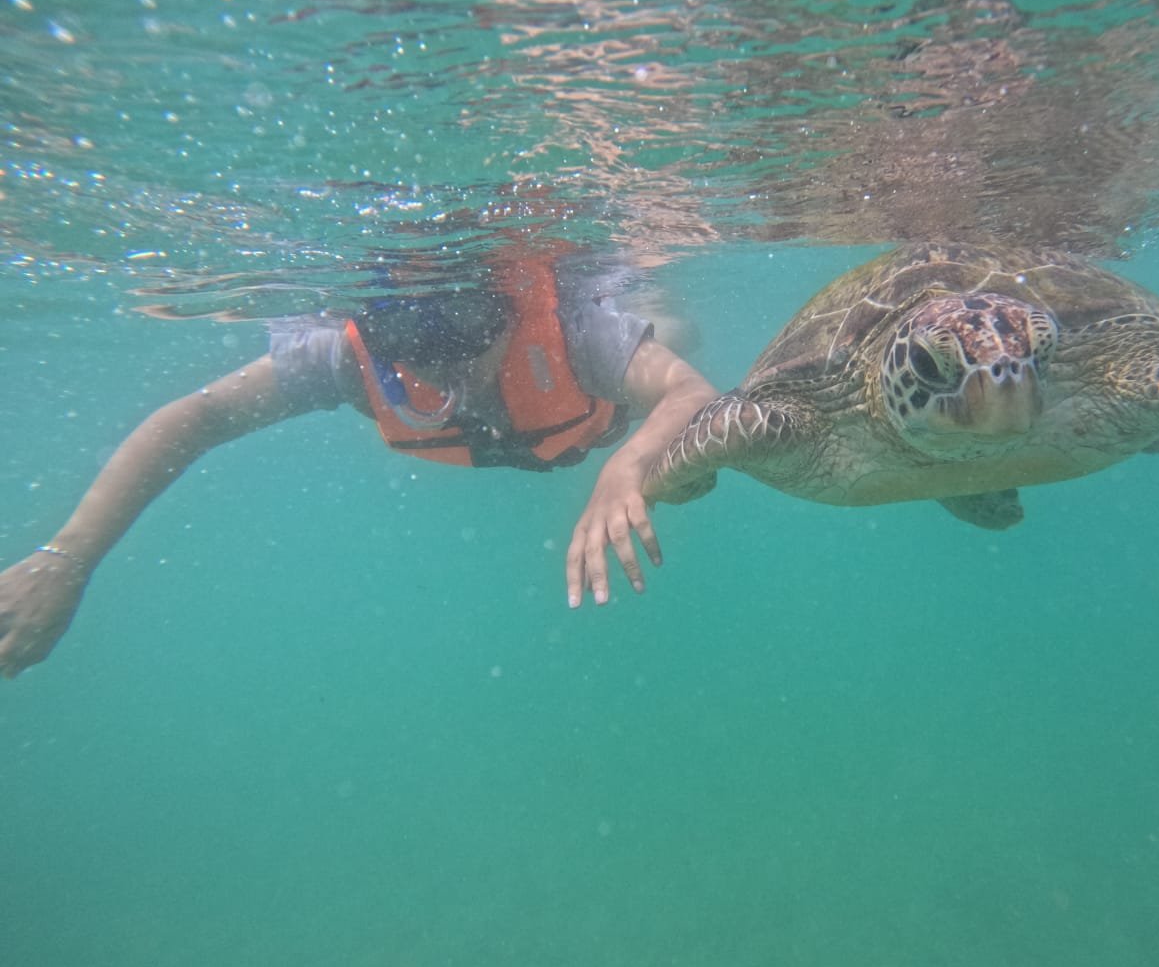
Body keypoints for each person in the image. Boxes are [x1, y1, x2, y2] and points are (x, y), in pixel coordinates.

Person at [0, 257, 719, 679]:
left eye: (470, 334)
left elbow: (690, 392)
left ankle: (662, 314)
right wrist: (67, 557)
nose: (449, 372)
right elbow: (199, 417)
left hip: (600, 415)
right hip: (551, 424)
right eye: (410, 348)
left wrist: (628, 466)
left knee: (673, 336)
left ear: (506, 310)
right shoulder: (350, 359)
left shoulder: (575, 332)